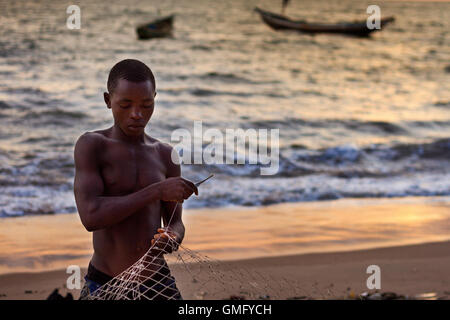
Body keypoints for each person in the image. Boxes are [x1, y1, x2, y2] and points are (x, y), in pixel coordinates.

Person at [74, 59, 198, 299]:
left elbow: (175, 222)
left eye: (146, 104)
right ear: (108, 101)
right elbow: (91, 216)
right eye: (125, 104)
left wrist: (171, 238)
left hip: (156, 281)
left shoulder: (165, 154)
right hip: (105, 281)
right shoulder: (92, 146)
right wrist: (156, 191)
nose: (137, 114)